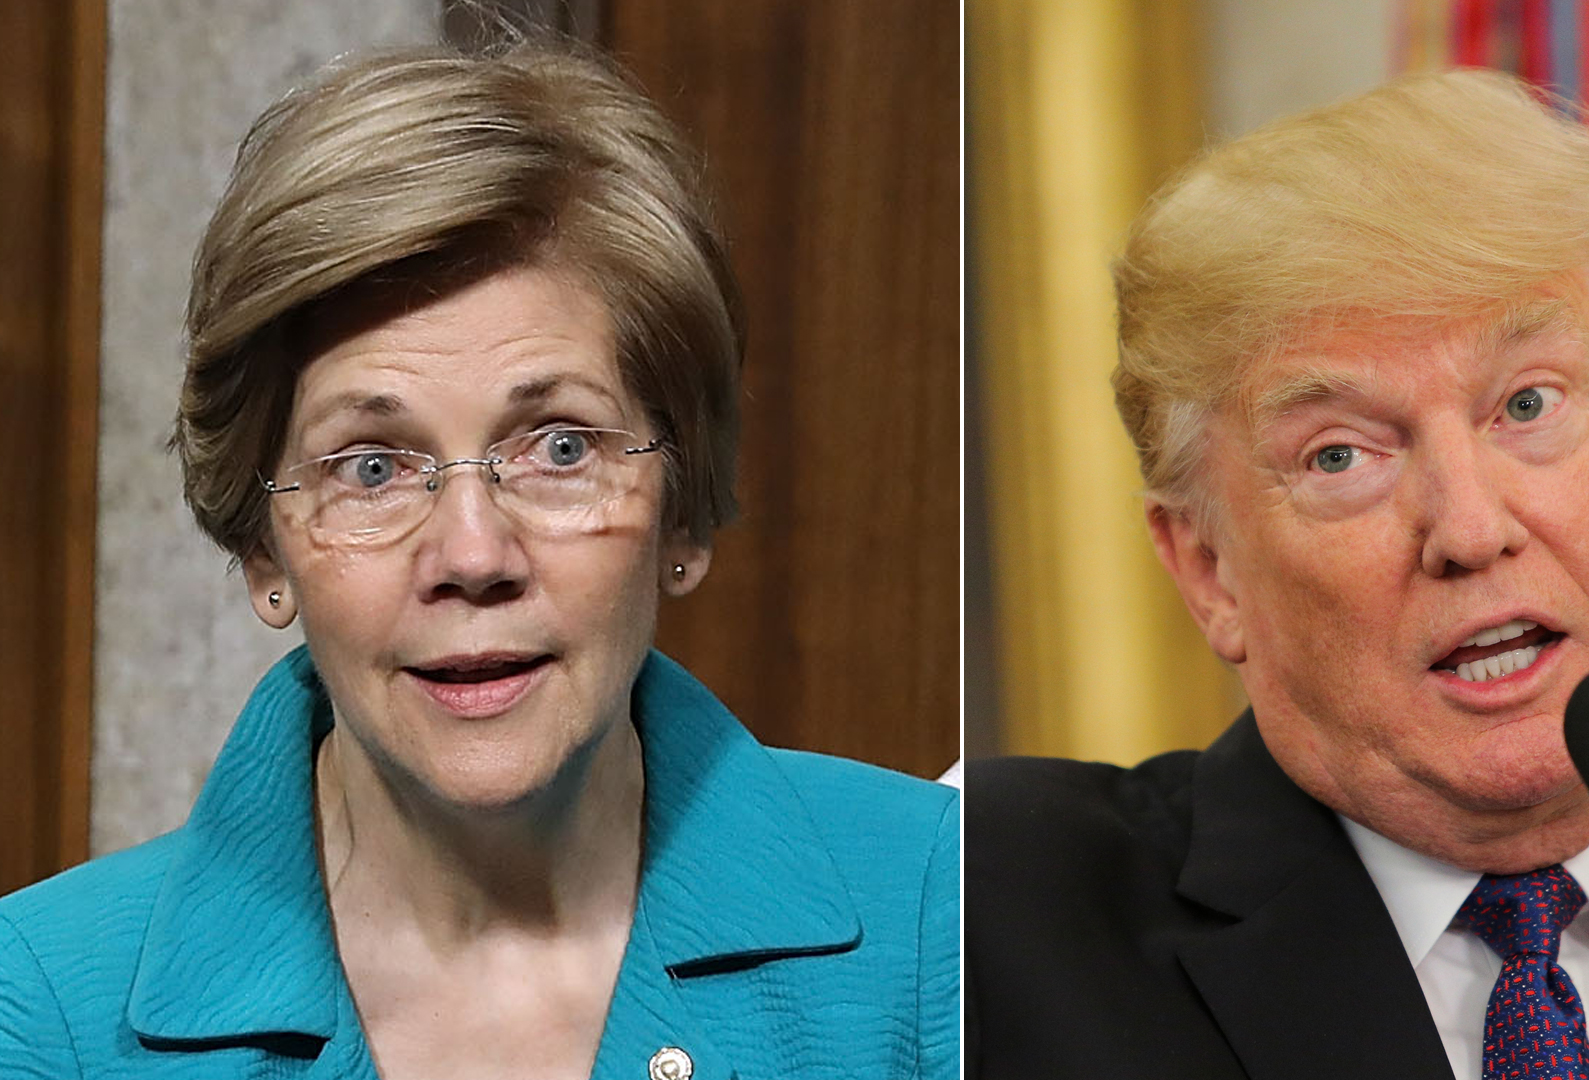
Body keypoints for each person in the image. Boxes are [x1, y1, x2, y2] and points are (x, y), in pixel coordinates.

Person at [0, 40, 956, 1080]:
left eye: (560, 448)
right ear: (261, 544)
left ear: (681, 511)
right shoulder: (47, 1011)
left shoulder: (943, 913)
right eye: (371, 468)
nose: (471, 553)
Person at [966, 70, 1589, 1079]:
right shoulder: (997, 925)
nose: (1469, 529)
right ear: (1210, 572)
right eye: (1340, 455)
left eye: (1527, 404)